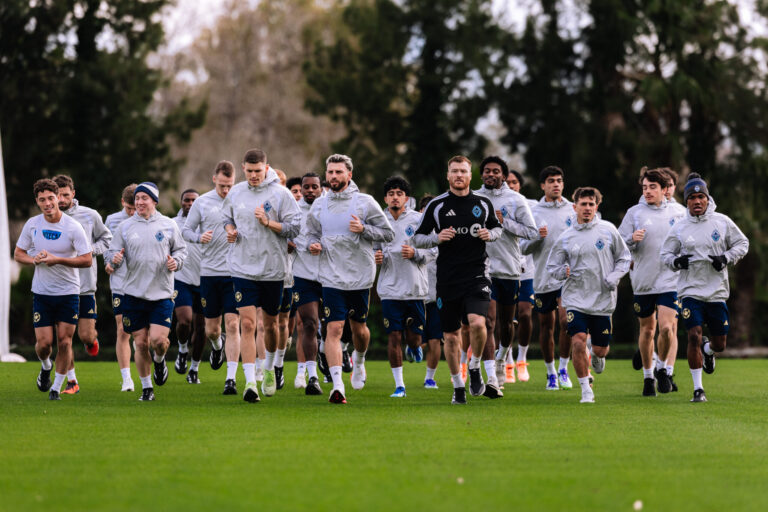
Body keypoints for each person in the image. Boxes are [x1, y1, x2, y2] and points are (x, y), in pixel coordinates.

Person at [413, 155, 504, 404]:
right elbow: (418, 238)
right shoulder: (437, 206)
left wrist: (490, 235)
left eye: (463, 171)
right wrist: (437, 238)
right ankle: (458, 386)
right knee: (451, 336)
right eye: (454, 171)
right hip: (447, 279)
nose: (459, 176)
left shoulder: (483, 203)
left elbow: (498, 228)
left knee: (477, 324)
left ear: (470, 174)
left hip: (476, 275)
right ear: (448, 175)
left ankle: (474, 366)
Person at [306, 154, 395, 404]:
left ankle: (360, 360)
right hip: (330, 276)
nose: (333, 176)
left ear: (349, 175)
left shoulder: (365, 203)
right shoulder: (319, 205)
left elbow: (387, 233)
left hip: (360, 277)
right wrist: (313, 244)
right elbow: (309, 233)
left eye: (338, 172)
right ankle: (337, 386)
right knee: (333, 329)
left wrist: (364, 229)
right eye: (330, 172)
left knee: (359, 330)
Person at [661, 173, 748, 402]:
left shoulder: (722, 222)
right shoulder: (679, 227)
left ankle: (709, 351)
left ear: (708, 199)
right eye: (692, 197)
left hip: (717, 291)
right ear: (687, 201)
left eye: (701, 197)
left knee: (719, 344)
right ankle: (698, 389)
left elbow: (742, 243)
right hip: (690, 291)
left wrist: (726, 258)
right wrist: (676, 262)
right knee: (693, 336)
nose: (697, 201)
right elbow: (665, 254)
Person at [222, 149, 301, 403]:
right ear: (243, 168)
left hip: (272, 270)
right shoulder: (236, 192)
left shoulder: (281, 194)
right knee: (247, 324)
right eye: (249, 170)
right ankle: (250, 383)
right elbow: (227, 217)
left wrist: (269, 223)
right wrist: (230, 230)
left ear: (267, 168)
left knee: (271, 325)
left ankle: (268, 369)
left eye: (258, 171)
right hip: (242, 268)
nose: (254, 175)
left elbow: (295, 228)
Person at [546, 187, 630, 403]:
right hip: (574, 298)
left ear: (596, 207)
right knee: (578, 340)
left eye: (591, 204)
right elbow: (552, 266)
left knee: (601, 349)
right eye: (583, 204)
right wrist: (560, 272)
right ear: (574, 207)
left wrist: (615, 277)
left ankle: (597, 355)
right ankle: (586, 390)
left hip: (602, 299)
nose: (587, 208)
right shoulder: (566, 237)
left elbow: (624, 259)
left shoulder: (608, 230)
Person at [107, 182, 187, 401]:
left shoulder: (169, 225)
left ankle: (160, 361)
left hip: (161, 294)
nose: (139, 202)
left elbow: (181, 250)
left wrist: (176, 262)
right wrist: (113, 259)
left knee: (159, 342)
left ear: (154, 201)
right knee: (140, 343)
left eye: (144, 198)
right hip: (132, 294)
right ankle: (146, 387)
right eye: (137, 198)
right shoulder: (125, 227)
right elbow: (111, 252)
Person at [14, 179, 93, 400]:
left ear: (58, 197)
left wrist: (58, 259)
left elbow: (87, 259)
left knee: (65, 341)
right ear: (37, 202)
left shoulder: (72, 226)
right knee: (44, 344)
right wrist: (34, 260)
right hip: (42, 293)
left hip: (68, 293)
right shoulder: (33, 224)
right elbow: (18, 254)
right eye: (42, 200)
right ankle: (46, 365)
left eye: (50, 198)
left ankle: (56, 388)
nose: (47, 203)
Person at [618, 168, 685, 396]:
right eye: (645, 187)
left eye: (652, 187)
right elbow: (618, 246)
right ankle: (648, 378)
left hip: (670, 281)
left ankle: (663, 369)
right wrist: (631, 240)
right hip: (644, 281)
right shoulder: (634, 213)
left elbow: (690, 242)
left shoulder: (679, 213)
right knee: (647, 331)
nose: (647, 191)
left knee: (667, 328)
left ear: (665, 190)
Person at [476, 159, 537, 389]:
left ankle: (502, 359)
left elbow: (531, 232)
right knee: (488, 321)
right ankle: (491, 375)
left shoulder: (516, 199)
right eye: (487, 171)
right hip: (481, 270)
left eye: (496, 171)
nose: (491, 174)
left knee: (505, 323)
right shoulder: (474, 198)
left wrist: (505, 222)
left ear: (503, 175)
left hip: (509, 269)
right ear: (481, 174)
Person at [182, 161, 240, 392]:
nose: (226, 190)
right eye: (223, 185)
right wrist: (199, 238)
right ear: (214, 179)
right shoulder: (203, 202)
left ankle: (231, 378)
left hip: (235, 273)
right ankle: (218, 345)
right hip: (209, 274)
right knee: (211, 330)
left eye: (230, 185)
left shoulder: (239, 200)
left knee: (234, 324)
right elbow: (186, 230)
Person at [53, 175, 112, 394]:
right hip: (59, 287)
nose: (61, 200)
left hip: (85, 285)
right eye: (57, 195)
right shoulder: (48, 219)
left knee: (86, 335)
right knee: (64, 338)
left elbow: (107, 239)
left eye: (65, 195)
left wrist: (89, 252)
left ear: (73, 194)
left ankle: (90, 342)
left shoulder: (89, 215)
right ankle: (72, 381)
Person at [521, 166, 575, 390]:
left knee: (566, 322)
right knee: (546, 325)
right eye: (551, 181)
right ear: (542, 185)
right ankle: (550, 372)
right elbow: (523, 248)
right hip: (542, 277)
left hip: (567, 277)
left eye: (559, 181)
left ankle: (563, 368)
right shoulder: (533, 213)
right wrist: (536, 238)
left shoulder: (573, 210)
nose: (556, 184)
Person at [375, 176, 429, 398]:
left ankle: (415, 345)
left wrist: (415, 253)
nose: (395, 197)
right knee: (394, 336)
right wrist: (374, 256)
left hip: (414, 288)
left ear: (406, 198)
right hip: (388, 288)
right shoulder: (378, 221)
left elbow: (433, 251)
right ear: (385, 198)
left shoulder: (418, 220)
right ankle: (400, 386)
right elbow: (370, 248)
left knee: (414, 338)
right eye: (391, 194)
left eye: (399, 194)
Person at [291, 172, 325, 395]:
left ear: (321, 188)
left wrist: (322, 244)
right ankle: (312, 376)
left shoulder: (328, 209)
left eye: (314, 186)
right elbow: (285, 235)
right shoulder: (293, 212)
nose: (310, 190)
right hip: (303, 275)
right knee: (309, 324)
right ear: (301, 189)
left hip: (331, 275)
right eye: (306, 187)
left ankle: (333, 351)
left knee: (334, 326)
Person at [105, 184, 138, 391]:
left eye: (136, 208)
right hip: (120, 282)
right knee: (122, 329)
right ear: (122, 203)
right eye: (129, 209)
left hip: (146, 283)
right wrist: (109, 262)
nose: (133, 212)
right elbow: (106, 250)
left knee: (148, 337)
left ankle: (157, 359)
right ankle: (127, 378)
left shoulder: (156, 220)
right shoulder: (112, 221)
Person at [506, 170, 537, 383]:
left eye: (514, 182)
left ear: (520, 185)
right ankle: (506, 360)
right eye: (507, 182)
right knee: (505, 319)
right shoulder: (494, 205)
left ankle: (521, 358)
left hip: (527, 271)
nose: (510, 185)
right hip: (504, 270)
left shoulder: (532, 206)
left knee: (525, 315)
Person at [172, 189, 206, 382]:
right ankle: (183, 349)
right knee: (184, 321)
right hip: (181, 278)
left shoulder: (207, 223)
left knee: (201, 329)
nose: (190, 203)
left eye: (194, 200)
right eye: (187, 200)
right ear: (181, 202)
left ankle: (194, 369)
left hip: (204, 280)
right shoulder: (173, 224)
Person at [418, 194, 442, 389]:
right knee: (418, 341)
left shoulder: (445, 234)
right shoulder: (413, 233)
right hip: (415, 295)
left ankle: (430, 377)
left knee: (436, 339)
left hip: (436, 295)